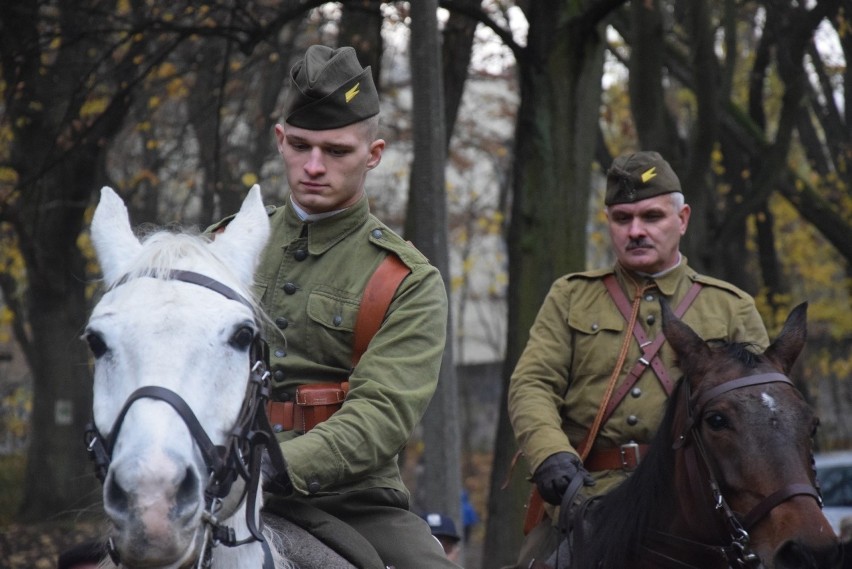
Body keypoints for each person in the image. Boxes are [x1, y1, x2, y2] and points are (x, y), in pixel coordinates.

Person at [211, 45, 457, 568]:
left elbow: (380, 415)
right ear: (281, 141)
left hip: (348, 503)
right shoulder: (220, 248)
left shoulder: (406, 280)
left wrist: (271, 464)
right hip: (208, 480)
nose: (314, 166)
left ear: (373, 154)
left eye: (337, 151)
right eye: (300, 145)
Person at [507, 151, 770, 568]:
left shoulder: (730, 307)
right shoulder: (571, 295)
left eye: (651, 217)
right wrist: (549, 454)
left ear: (682, 219)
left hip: (697, 502)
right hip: (589, 499)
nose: (636, 231)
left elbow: (762, 415)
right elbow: (532, 384)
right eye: (622, 218)